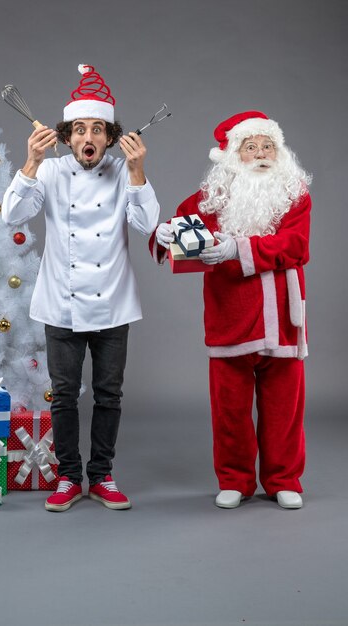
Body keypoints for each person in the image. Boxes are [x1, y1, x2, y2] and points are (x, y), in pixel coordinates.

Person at [2, 64, 160, 511]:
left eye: (97, 129)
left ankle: (102, 475)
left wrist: (137, 170)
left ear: (110, 137)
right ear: (66, 136)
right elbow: (12, 216)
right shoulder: (49, 173)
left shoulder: (124, 169)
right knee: (64, 394)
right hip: (60, 303)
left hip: (113, 303)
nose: (87, 137)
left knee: (110, 394)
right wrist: (31, 162)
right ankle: (69, 478)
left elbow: (147, 224)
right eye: (79, 129)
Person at [151, 111, 312, 509]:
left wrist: (237, 249)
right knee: (230, 409)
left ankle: (283, 479)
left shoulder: (295, 193)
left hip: (283, 318)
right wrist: (164, 233)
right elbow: (179, 240)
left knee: (284, 408)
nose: (261, 154)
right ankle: (236, 480)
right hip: (230, 316)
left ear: (280, 151)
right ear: (233, 155)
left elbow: (296, 247)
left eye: (268, 146)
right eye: (250, 147)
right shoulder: (213, 197)